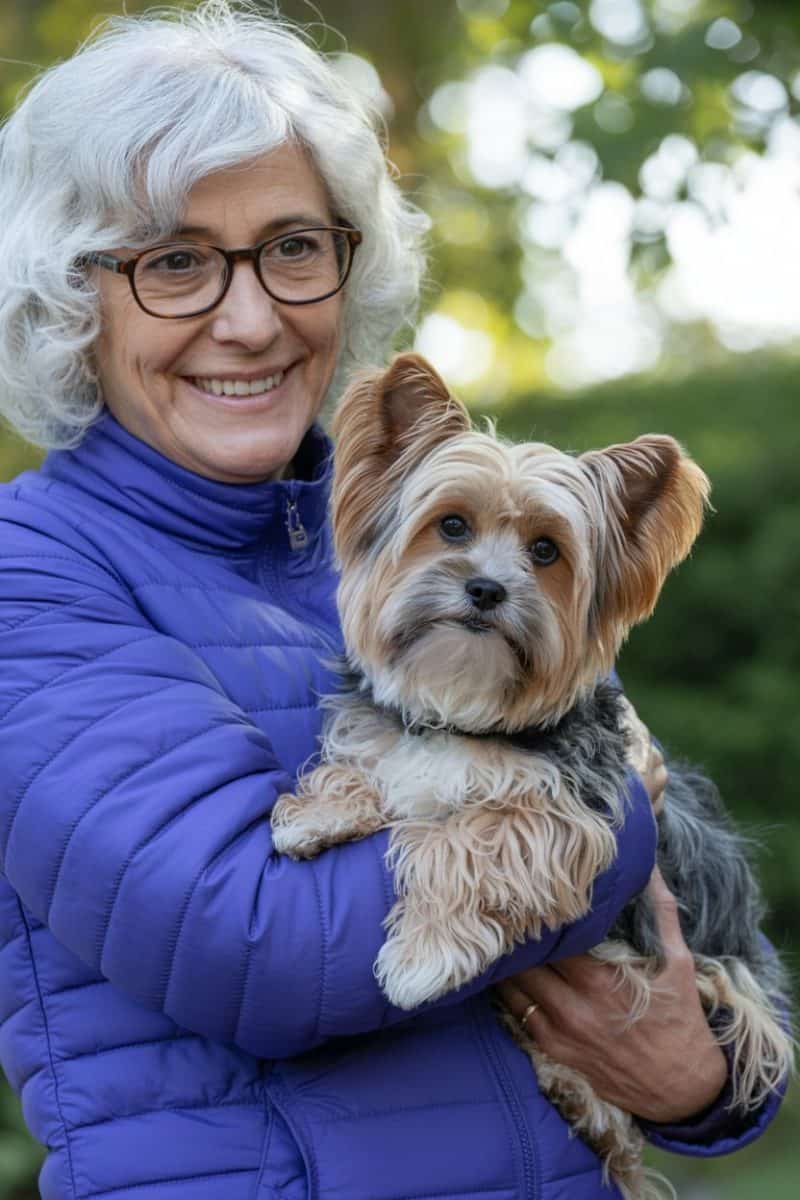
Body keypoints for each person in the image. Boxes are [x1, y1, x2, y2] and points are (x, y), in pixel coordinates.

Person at [0, 4, 785, 1198]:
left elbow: (704, 962)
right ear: (73, 295)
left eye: (294, 247)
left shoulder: (429, 544)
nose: (251, 316)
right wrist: (595, 813)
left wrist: (701, 1080)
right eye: (172, 262)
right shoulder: (33, 570)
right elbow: (259, 949)